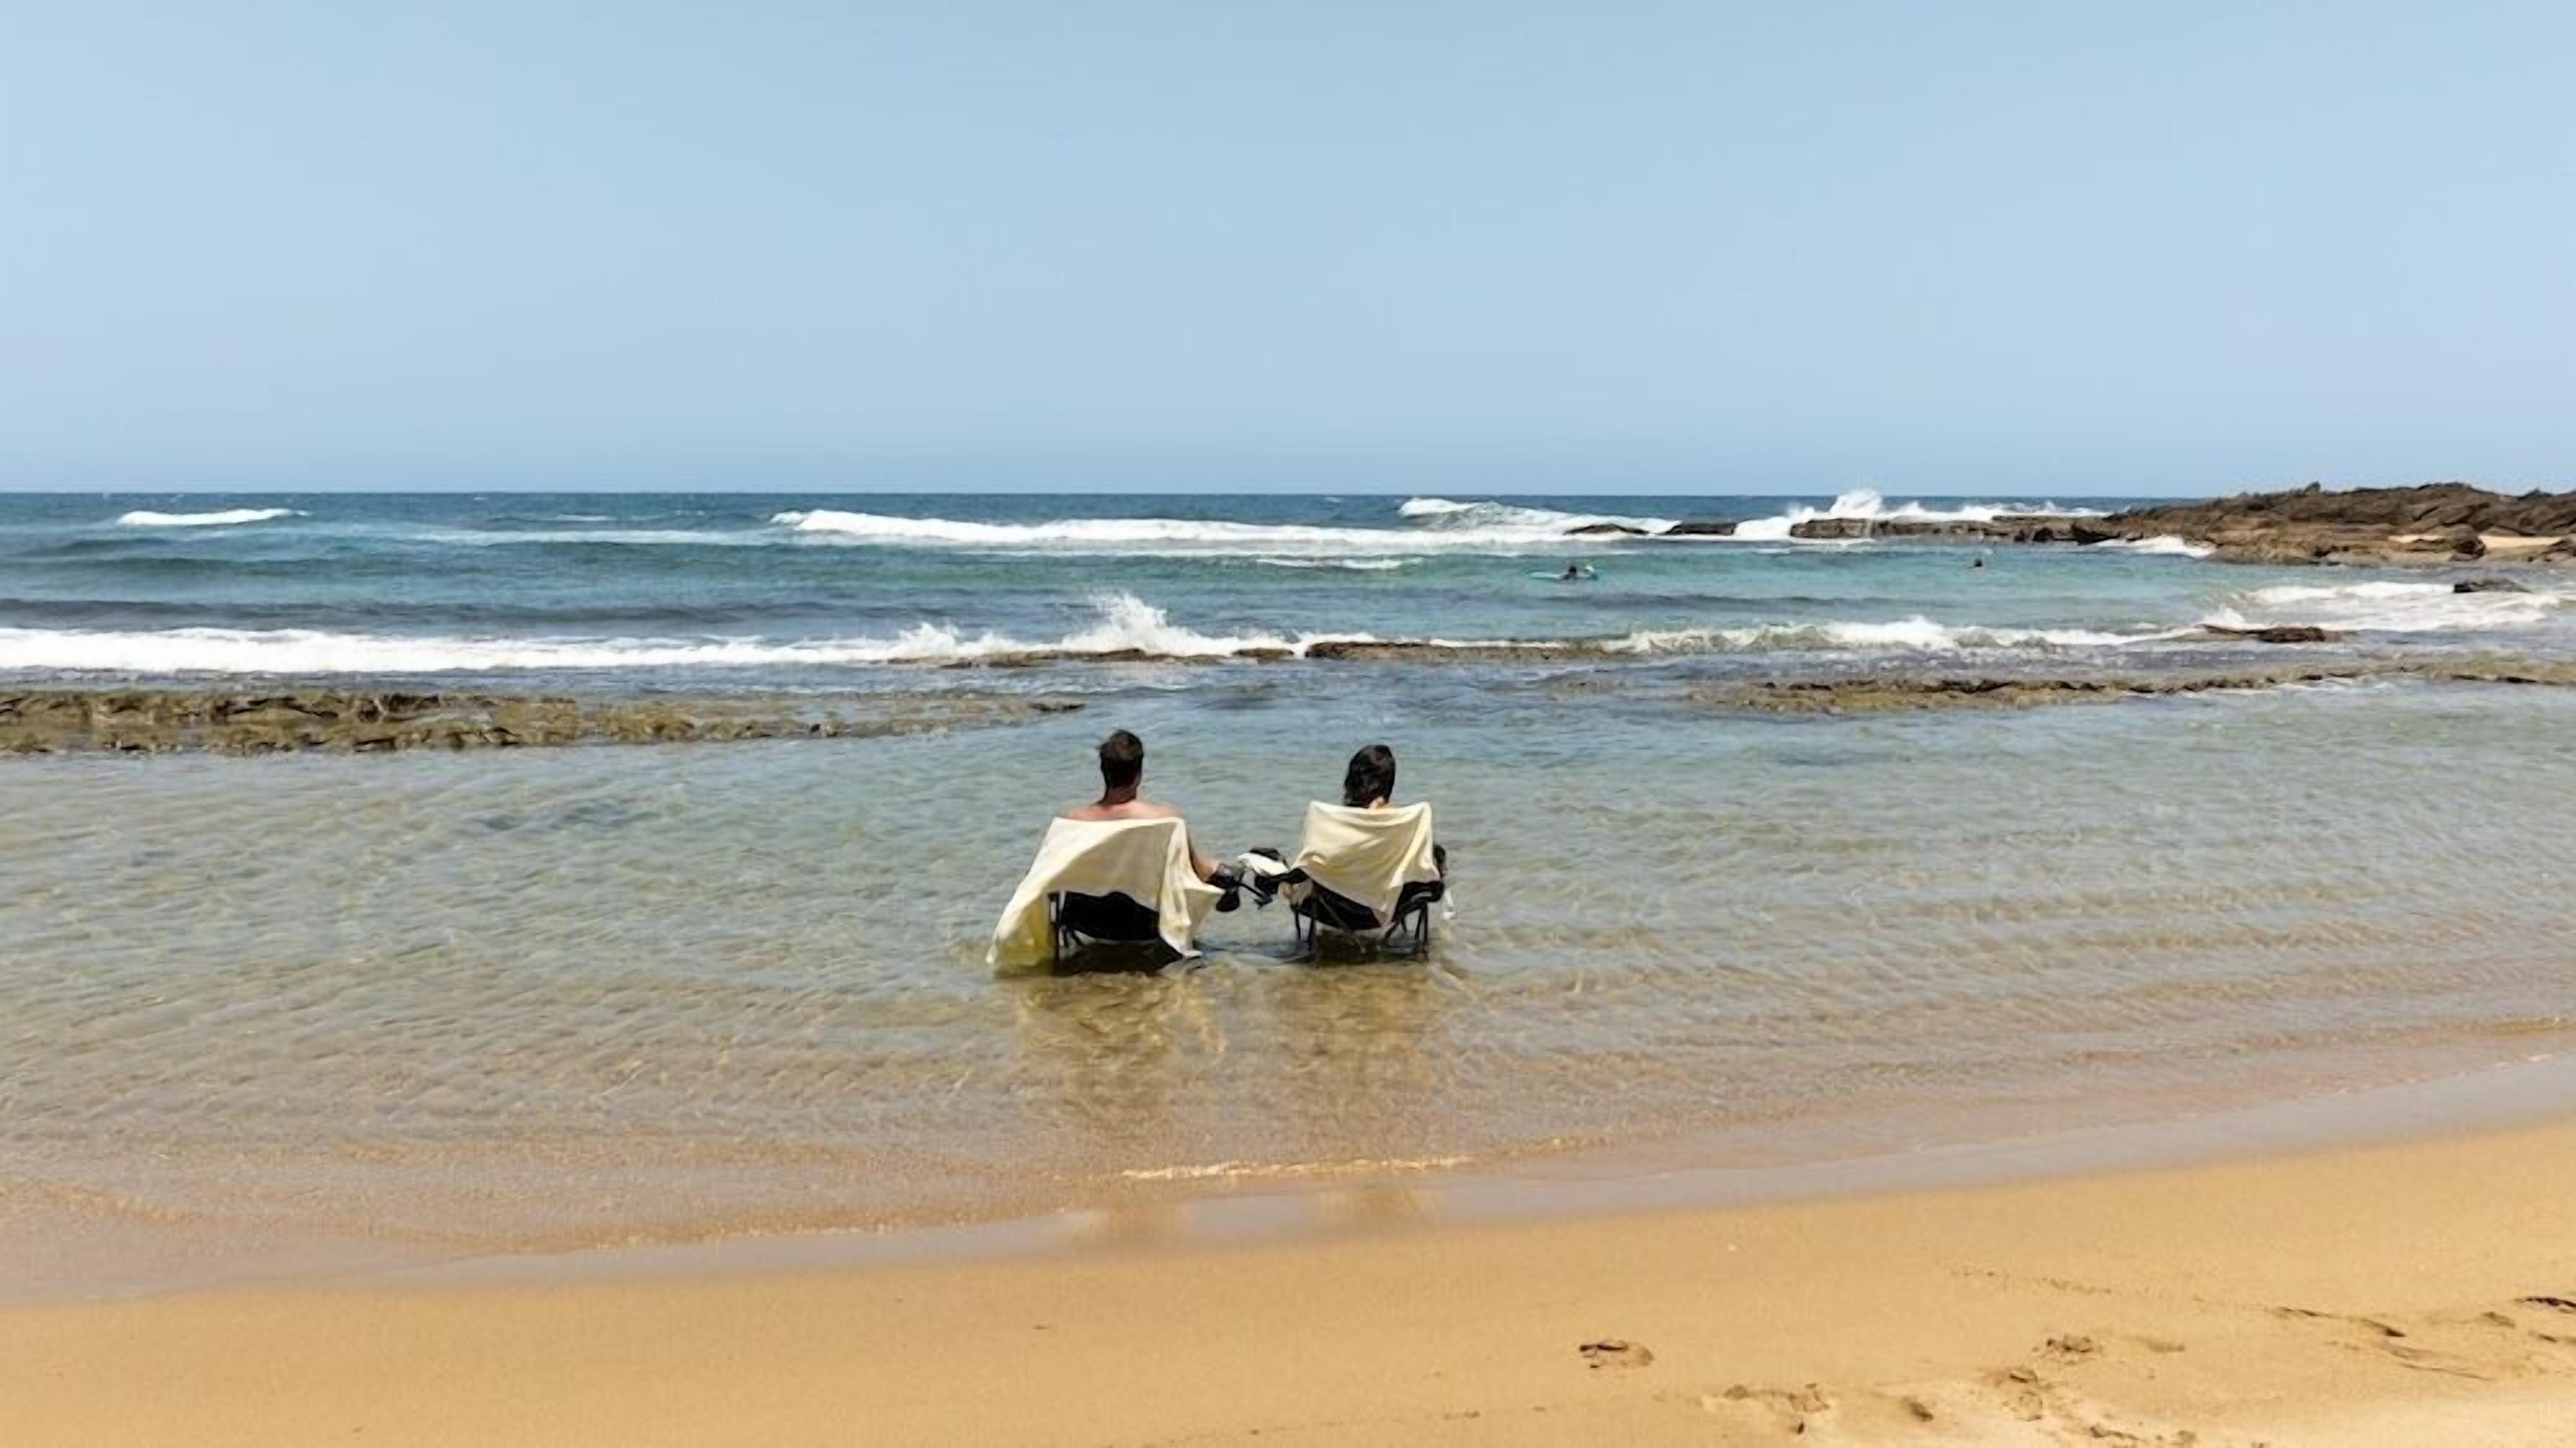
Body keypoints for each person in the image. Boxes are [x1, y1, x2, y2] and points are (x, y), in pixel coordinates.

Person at [1062, 729, 1226, 884]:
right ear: (1139, 774)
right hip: (1139, 913)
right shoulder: (1167, 820)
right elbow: (1197, 873)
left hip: (1080, 912)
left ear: (1103, 770)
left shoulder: (1072, 821)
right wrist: (1220, 868)